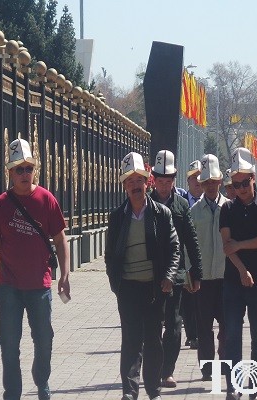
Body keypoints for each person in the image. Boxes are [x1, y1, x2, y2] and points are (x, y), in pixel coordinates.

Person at [0, 138, 71, 400]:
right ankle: (12, 393)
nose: (24, 174)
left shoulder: (47, 200)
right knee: (10, 346)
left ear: (35, 170)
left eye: (28, 168)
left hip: (40, 285)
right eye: (18, 169)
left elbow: (60, 239)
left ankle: (41, 380)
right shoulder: (1, 204)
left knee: (44, 340)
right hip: (10, 286)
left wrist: (65, 274)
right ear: (10, 173)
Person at [105, 151, 180, 400]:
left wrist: (169, 276)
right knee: (131, 341)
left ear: (147, 182)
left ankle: (153, 391)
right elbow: (109, 255)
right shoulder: (117, 218)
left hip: (154, 287)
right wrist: (116, 285)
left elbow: (174, 248)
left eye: (139, 180)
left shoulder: (161, 214)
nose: (135, 185)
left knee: (153, 341)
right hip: (127, 288)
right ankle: (129, 392)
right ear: (124, 186)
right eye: (130, 181)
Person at [220, 147, 257, 400]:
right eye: (236, 183)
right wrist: (242, 270)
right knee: (231, 333)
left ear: (253, 178)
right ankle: (233, 386)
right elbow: (226, 246)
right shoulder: (227, 209)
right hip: (234, 280)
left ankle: (253, 383)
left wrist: (241, 245)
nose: (241, 188)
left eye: (245, 182)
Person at [149, 150, 203, 389]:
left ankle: (167, 370)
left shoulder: (181, 205)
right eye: (160, 180)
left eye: (168, 180)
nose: (164, 185)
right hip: (149, 275)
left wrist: (196, 272)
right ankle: (153, 366)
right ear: (153, 179)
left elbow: (191, 240)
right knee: (151, 325)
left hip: (177, 274)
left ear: (174, 179)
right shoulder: (145, 203)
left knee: (173, 324)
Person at [191, 154, 229, 381]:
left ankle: (225, 362)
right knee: (203, 327)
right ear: (201, 184)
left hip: (226, 277)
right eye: (206, 182)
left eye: (214, 182)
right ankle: (207, 367)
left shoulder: (229, 208)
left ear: (220, 182)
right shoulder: (195, 211)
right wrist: (190, 274)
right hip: (203, 278)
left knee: (227, 324)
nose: (211, 186)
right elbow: (187, 245)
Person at [180, 159, 203, 349]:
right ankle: (192, 334)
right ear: (188, 181)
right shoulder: (181, 204)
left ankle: (201, 331)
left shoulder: (210, 203)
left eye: (200, 177)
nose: (197, 181)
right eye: (193, 178)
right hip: (184, 259)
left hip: (204, 258)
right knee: (188, 299)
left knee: (202, 298)